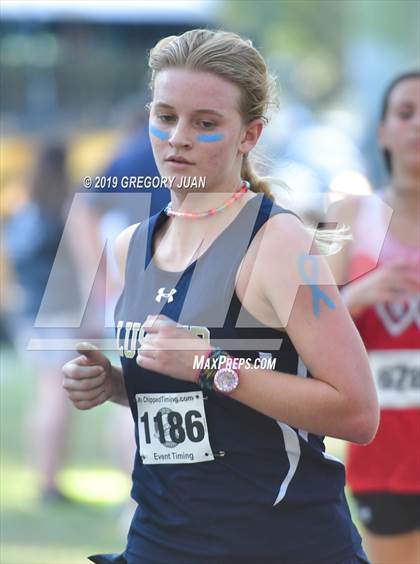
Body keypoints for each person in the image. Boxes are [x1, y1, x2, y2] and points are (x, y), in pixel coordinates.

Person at [62, 29, 378, 564]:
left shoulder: (281, 244)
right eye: (165, 117)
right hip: (159, 541)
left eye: (205, 123)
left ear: (249, 135)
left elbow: (357, 412)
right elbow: (191, 406)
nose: (178, 137)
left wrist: (209, 365)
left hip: (278, 544)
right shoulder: (129, 247)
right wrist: (117, 385)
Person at [327, 72, 420, 564]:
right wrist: (362, 292)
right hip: (383, 450)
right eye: (405, 113)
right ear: (383, 130)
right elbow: (307, 319)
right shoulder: (345, 213)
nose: (418, 126)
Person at [4, 141, 82, 502]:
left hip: (27, 313)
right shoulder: (63, 209)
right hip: (58, 313)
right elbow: (83, 264)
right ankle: (49, 481)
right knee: (55, 396)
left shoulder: (22, 211)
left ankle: (43, 476)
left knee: (43, 395)